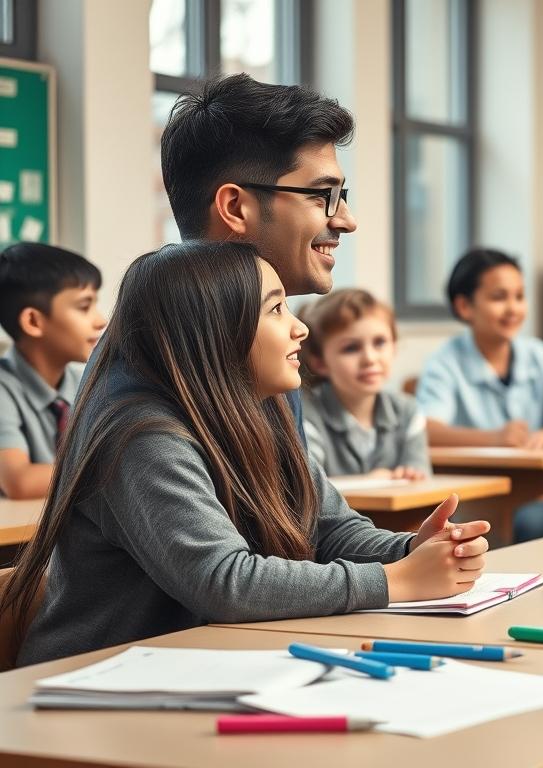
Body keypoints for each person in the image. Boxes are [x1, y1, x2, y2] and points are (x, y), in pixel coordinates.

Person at [3, 242, 489, 666]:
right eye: (275, 309)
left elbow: (329, 528)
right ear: (213, 331)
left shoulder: (261, 410)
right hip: (90, 684)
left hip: (196, 665)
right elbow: (225, 581)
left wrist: (409, 551)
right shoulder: (142, 439)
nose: (300, 329)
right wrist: (395, 581)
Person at [416, 248, 543, 449]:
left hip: (535, 468)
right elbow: (428, 432)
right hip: (474, 469)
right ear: (464, 307)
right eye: (499, 297)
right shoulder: (443, 363)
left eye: (519, 296)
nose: (513, 309)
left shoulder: (542, 356)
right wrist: (494, 439)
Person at [0, 243, 105, 498]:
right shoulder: (3, 389)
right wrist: (112, 470)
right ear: (33, 321)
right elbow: (20, 482)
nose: (101, 320)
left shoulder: (87, 384)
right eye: (84, 307)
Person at [298, 289, 430, 479]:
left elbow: (422, 478)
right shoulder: (304, 414)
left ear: (394, 347)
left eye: (380, 342)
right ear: (320, 362)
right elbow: (310, 486)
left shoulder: (408, 412)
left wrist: (413, 475)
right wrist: (370, 483)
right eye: (351, 348)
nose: (370, 358)